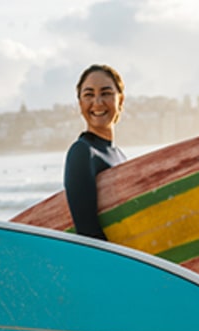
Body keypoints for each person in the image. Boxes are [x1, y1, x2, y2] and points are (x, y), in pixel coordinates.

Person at [64, 64, 127, 240]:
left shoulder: (120, 157)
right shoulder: (82, 152)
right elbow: (87, 233)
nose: (98, 102)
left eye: (106, 93)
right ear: (80, 103)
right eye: (89, 95)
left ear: (120, 100)